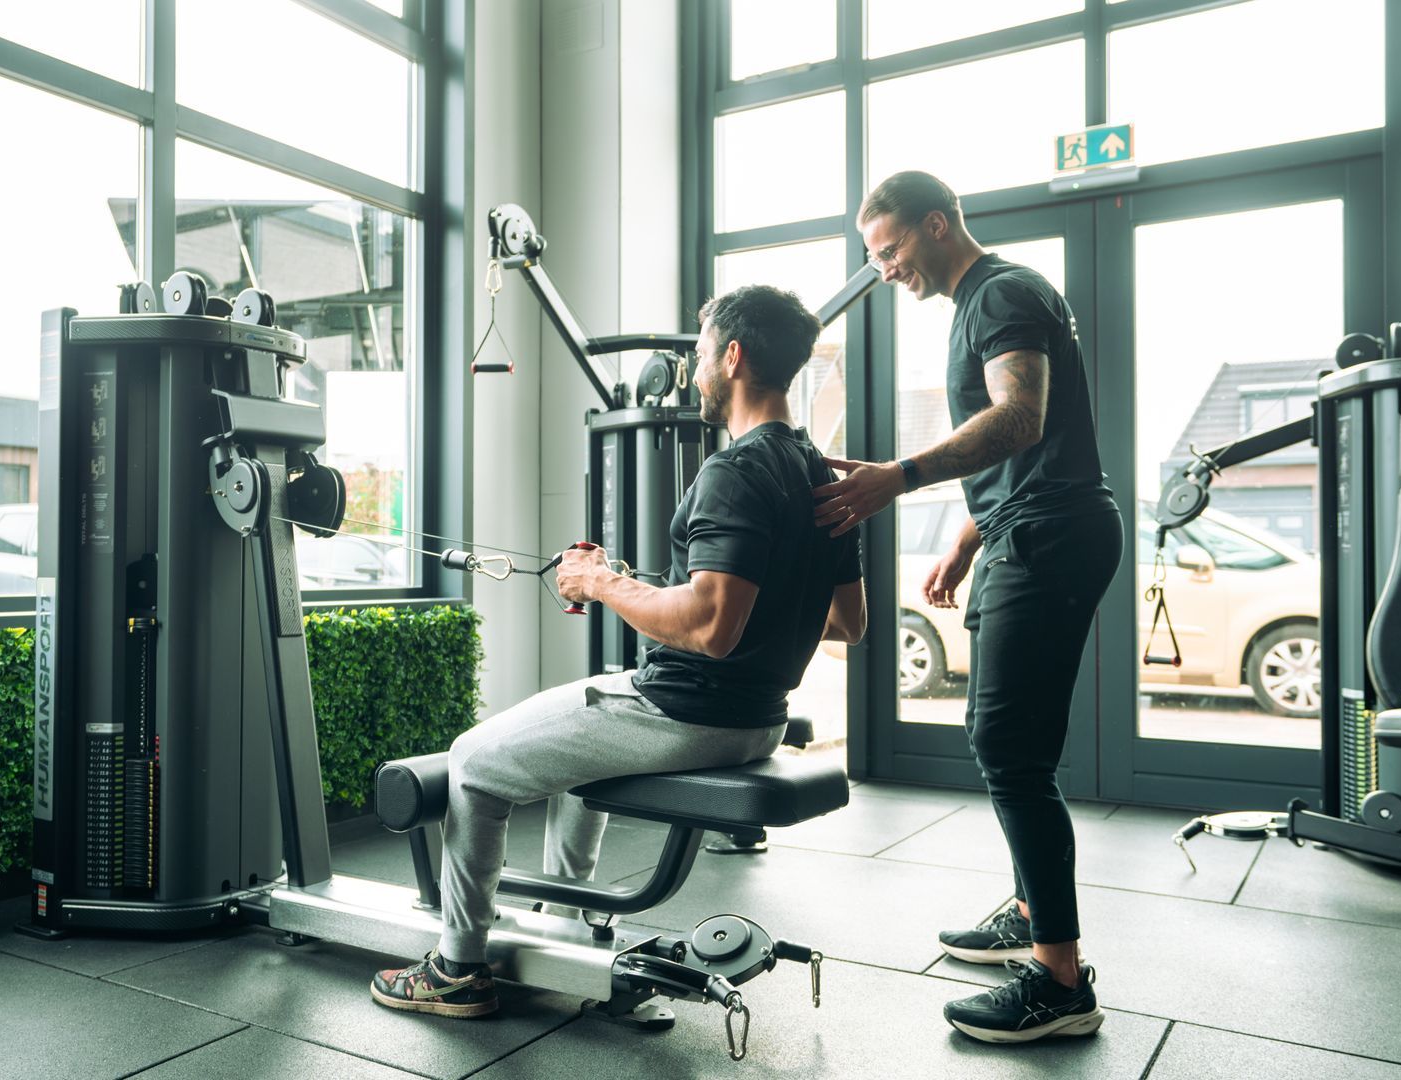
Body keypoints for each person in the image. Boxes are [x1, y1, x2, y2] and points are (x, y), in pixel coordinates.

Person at [371, 284, 867, 1018]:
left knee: (473, 762)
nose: (695, 370)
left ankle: (456, 968)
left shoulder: (734, 473)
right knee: (586, 721)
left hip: (685, 714)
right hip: (756, 719)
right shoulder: (822, 476)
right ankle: (565, 936)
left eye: (700, 355)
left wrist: (602, 584)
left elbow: (709, 629)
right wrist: (656, 590)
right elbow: (845, 622)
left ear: (732, 357)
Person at [813, 170, 1122, 1044]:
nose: (884, 269)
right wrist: (969, 534)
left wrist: (897, 479)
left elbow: (1022, 417)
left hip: (1052, 535)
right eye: (873, 257)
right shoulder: (987, 298)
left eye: (891, 249)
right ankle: (1032, 907)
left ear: (938, 225)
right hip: (1031, 526)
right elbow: (1032, 451)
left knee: (1008, 750)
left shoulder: (1000, 293)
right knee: (1013, 745)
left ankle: (1059, 983)